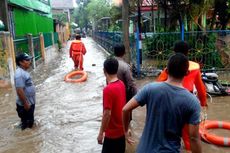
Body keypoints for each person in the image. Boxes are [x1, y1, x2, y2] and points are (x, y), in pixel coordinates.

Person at [123, 53, 202, 153]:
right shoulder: (192, 101)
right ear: (187, 73)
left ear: (166, 70)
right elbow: (194, 138)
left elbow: (125, 109)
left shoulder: (150, 88)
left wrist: (125, 131)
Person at [156, 41, 207, 151]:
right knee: (189, 138)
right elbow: (201, 88)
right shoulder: (195, 67)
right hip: (187, 102)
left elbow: (158, 84)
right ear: (188, 53)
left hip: (170, 103)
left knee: (168, 135)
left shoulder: (170, 66)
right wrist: (203, 102)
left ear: (174, 52)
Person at [97, 58, 126, 153]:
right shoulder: (121, 84)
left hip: (112, 136)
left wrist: (101, 133)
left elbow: (107, 114)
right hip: (121, 133)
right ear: (116, 70)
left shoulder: (108, 90)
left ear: (104, 71)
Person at [15, 53, 36, 130]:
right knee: (27, 127)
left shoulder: (23, 72)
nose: (30, 61)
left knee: (29, 124)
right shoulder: (19, 74)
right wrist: (25, 104)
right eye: (27, 60)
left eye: (29, 59)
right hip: (26, 105)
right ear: (21, 62)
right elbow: (19, 90)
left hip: (28, 103)